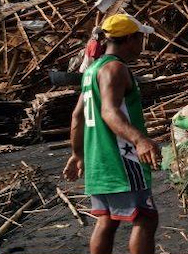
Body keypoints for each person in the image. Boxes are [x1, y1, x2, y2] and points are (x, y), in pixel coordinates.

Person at [63, 14, 161, 254]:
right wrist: (140, 140)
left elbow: (77, 116)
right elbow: (109, 111)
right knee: (146, 218)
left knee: (107, 219)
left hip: (98, 160)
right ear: (129, 39)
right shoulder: (115, 69)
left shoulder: (91, 70)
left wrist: (77, 154)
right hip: (121, 159)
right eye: (140, 39)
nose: (142, 45)